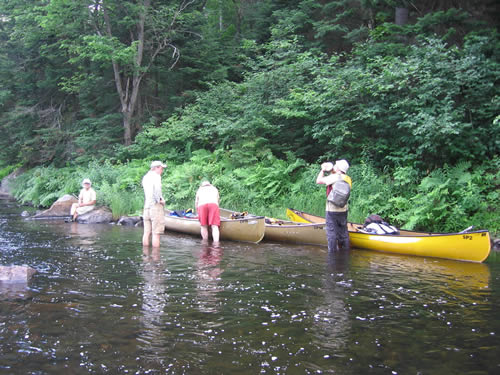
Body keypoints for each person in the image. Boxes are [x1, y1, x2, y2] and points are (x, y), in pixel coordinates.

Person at [316, 160, 352, 252]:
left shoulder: (334, 177)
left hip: (331, 209)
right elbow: (338, 177)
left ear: (338, 168)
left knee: (331, 233)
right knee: (343, 233)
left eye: (336, 165)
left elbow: (318, 180)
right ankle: (345, 252)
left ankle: (332, 255)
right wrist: (333, 171)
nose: (334, 165)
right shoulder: (348, 178)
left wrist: (323, 170)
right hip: (344, 209)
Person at [142, 161, 167, 248]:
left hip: (146, 207)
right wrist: (160, 200)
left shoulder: (145, 177)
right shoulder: (156, 176)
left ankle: (145, 257)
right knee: (156, 233)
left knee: (146, 232)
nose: (162, 170)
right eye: (161, 168)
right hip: (155, 207)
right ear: (156, 168)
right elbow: (157, 190)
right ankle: (156, 259)